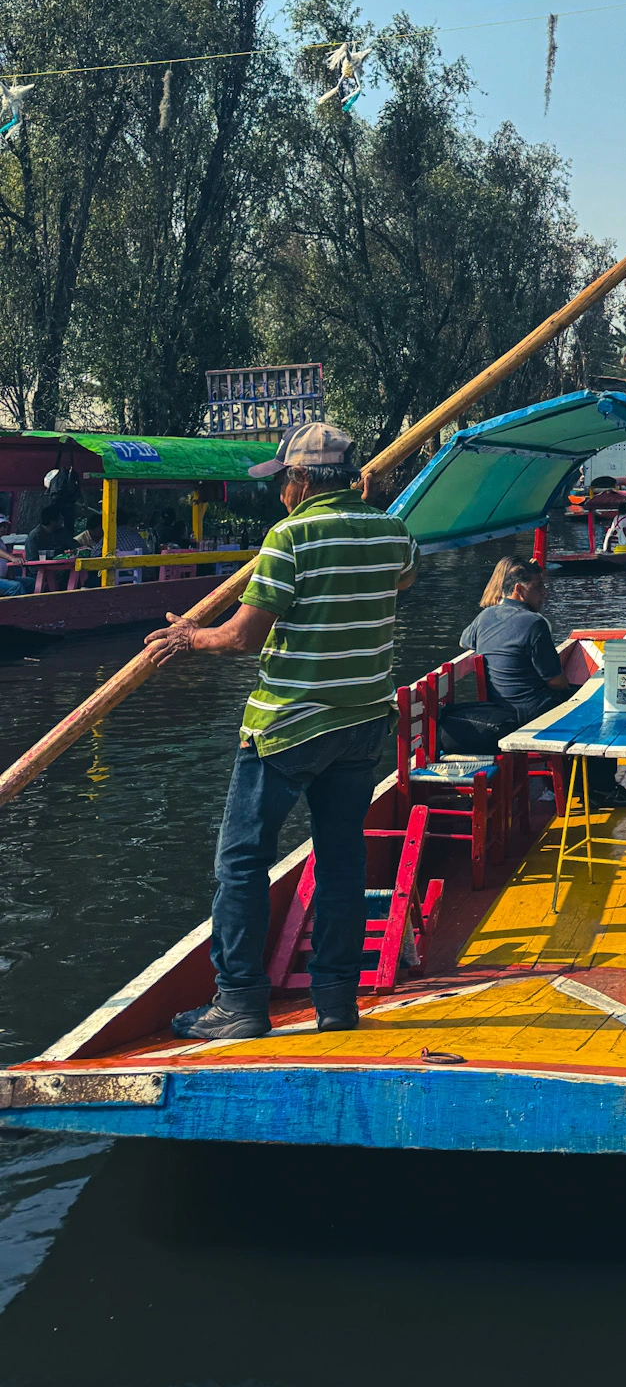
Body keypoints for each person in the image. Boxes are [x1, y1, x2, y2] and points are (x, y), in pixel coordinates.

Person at [143, 424, 419, 1043]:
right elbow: (400, 580)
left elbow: (243, 637)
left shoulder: (290, 537)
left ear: (300, 479)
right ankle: (336, 1000)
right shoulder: (393, 531)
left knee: (242, 861)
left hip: (290, 725)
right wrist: (361, 521)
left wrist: (189, 637)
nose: (280, 495)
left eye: (284, 482)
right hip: (362, 722)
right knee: (342, 859)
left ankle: (239, 1002)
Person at [449, 558, 626, 809]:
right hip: (532, 710)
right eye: (538, 587)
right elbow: (556, 681)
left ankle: (583, 781)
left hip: (501, 707)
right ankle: (602, 788)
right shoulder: (534, 623)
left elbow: (465, 641)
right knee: (600, 707)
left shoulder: (485, 616)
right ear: (519, 589)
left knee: (584, 701)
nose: (544, 593)